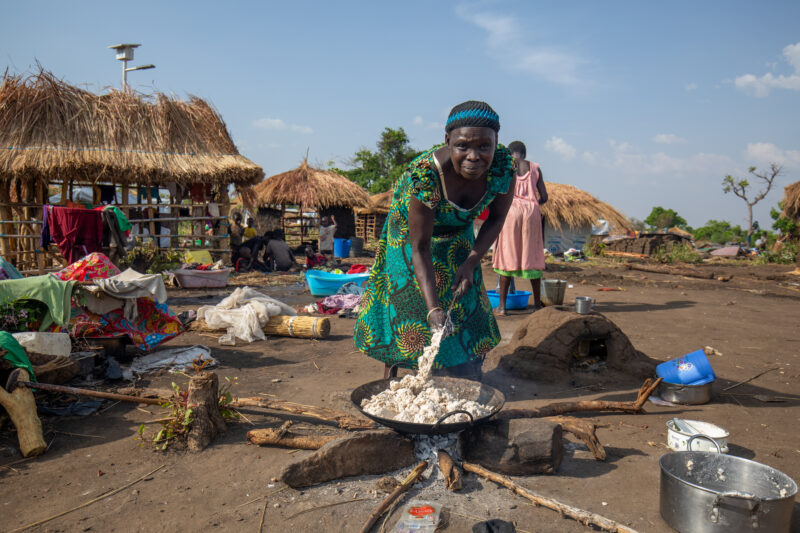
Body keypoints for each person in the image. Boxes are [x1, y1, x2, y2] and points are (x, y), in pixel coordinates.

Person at [354, 101, 515, 381]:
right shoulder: (427, 175)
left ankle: (465, 373)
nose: (474, 156)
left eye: (484, 147)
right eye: (463, 146)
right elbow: (421, 247)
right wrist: (432, 309)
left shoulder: (503, 169)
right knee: (410, 305)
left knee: (464, 298)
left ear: (496, 143)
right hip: (409, 236)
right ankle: (393, 383)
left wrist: (471, 261)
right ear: (447, 141)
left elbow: (497, 218)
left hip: (459, 232)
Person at [492, 140, 549, 316]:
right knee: (532, 254)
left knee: (507, 254)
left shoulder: (507, 167)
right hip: (532, 211)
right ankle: (537, 305)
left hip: (511, 210)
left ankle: (501, 307)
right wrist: (532, 204)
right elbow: (544, 197)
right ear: (524, 153)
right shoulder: (535, 168)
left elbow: (498, 192)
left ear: (510, 153)